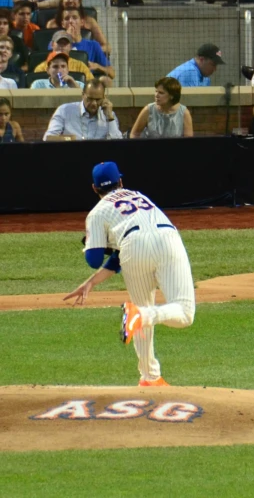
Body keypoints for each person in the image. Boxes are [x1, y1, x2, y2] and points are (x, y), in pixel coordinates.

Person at [64, 161, 196, 387]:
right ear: (121, 182)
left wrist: (95, 244)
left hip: (132, 249)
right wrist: (91, 283)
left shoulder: (97, 212)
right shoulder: (139, 196)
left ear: (94, 189)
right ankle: (149, 371)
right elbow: (118, 253)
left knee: (142, 310)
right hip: (168, 239)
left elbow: (94, 259)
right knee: (184, 314)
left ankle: (150, 376)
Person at [43, 79, 122, 141]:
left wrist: (110, 118)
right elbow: (48, 138)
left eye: (98, 99)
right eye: (90, 99)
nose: (94, 103)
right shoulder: (64, 111)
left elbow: (118, 143)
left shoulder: (110, 115)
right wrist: (70, 140)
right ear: (83, 95)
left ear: (104, 98)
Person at [45, 0, 111, 56]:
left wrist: (89, 52)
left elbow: (107, 47)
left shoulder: (90, 21)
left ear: (79, 2)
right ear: (62, 1)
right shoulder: (51, 24)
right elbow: (49, 49)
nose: (71, 0)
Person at [60, 7, 114, 83]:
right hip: (61, 81)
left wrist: (97, 66)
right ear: (62, 24)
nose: (71, 21)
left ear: (82, 22)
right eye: (67, 19)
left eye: (75, 18)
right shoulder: (56, 44)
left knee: (107, 80)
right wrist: (67, 41)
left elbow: (112, 73)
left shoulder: (93, 45)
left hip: (87, 83)